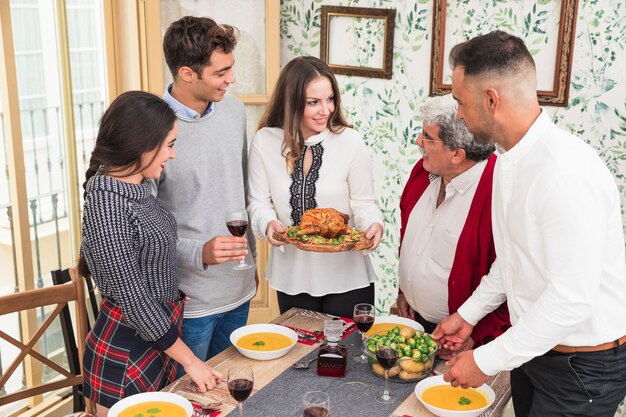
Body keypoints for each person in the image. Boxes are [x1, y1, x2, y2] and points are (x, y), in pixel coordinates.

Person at [432, 30, 626, 417]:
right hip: (535, 350)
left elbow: (570, 300)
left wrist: (485, 360)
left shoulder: (564, 174)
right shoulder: (507, 159)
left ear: (491, 100)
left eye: (460, 102)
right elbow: (513, 259)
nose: (458, 115)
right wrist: (468, 315)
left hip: (581, 367)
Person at [79, 91, 222, 416]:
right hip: (126, 353)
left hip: (158, 340)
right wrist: (191, 361)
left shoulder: (137, 188)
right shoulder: (106, 203)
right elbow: (133, 298)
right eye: (169, 144)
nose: (172, 155)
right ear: (142, 144)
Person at [154, 16, 256, 367]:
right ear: (187, 73)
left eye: (231, 68)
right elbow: (142, 228)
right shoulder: (151, 130)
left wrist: (251, 259)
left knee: (227, 395)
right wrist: (201, 252)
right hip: (189, 301)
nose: (231, 79)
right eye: (220, 72)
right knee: (191, 400)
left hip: (239, 290)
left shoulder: (234, 110)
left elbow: (241, 189)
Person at [247, 56, 384, 318]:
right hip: (293, 274)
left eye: (330, 99)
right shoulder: (265, 142)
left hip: (348, 275)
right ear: (291, 102)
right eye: (313, 102)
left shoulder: (350, 142)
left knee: (346, 355)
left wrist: (373, 224)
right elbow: (258, 202)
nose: (325, 110)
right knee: (301, 355)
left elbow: (364, 203)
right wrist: (267, 223)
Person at [397, 94, 509, 359]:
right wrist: (404, 291)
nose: (418, 142)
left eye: (427, 137)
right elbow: (411, 238)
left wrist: (477, 333)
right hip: (417, 323)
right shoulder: (423, 171)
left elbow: (512, 275)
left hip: (465, 343)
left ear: (457, 154)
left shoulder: (499, 190)